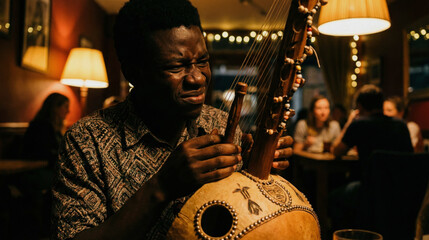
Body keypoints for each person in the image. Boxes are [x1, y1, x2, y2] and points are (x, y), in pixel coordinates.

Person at [51, 0, 292, 239]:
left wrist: (255, 168)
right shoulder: (86, 140)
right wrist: (161, 187)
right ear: (133, 72)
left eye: (203, 61)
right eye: (178, 66)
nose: (197, 78)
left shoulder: (218, 121)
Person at [330, 84, 413, 229]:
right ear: (381, 104)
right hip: (402, 191)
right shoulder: (401, 125)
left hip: (369, 191)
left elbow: (336, 151)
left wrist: (350, 121)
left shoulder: (359, 124)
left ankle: (348, 234)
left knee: (332, 198)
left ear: (360, 107)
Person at [23, 92, 69, 167]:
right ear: (55, 108)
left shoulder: (56, 127)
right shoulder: (41, 127)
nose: (68, 111)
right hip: (38, 167)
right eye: (65, 107)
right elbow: (44, 153)